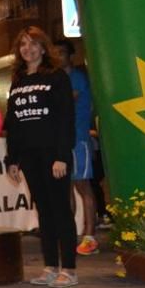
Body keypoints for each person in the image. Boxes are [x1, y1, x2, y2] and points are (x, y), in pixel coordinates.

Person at [5, 26, 77, 288]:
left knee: (61, 211)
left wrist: (61, 156)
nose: (28, 48)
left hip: (53, 155)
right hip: (29, 156)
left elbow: (65, 119)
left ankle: (69, 269)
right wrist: (12, 160)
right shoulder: (18, 80)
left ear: (43, 47)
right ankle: (50, 267)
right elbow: (13, 123)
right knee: (44, 212)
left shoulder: (57, 77)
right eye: (23, 44)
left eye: (33, 43)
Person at [54, 39, 99, 256]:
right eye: (54, 53)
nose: (58, 57)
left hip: (78, 138)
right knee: (65, 189)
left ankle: (89, 235)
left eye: (61, 53)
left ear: (70, 55)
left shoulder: (77, 78)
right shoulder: (57, 79)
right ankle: (69, 234)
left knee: (82, 186)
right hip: (61, 140)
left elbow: (65, 101)